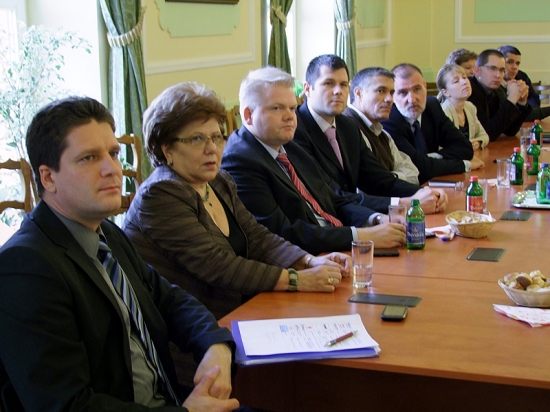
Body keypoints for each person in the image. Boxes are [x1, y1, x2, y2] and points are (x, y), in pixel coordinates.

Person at [0, 96, 240, 411]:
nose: (112, 169)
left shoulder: (106, 232)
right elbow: (67, 405)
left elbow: (168, 298)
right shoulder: (26, 267)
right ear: (48, 177)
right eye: (89, 158)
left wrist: (215, 342)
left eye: (113, 154)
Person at [123, 81, 350, 323]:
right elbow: (218, 265)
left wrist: (308, 261)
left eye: (216, 137)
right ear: (166, 148)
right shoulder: (160, 194)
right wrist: (297, 279)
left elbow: (257, 237)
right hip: (194, 329)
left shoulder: (218, 181)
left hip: (242, 310)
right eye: (197, 139)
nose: (212, 149)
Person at [221, 67, 406, 255]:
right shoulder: (240, 161)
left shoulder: (290, 146)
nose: (289, 117)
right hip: (309, 258)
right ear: (248, 115)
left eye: (292, 108)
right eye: (277, 108)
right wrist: (361, 236)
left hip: (335, 247)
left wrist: (376, 219)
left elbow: (334, 200)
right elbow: (282, 233)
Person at [293, 55, 447, 215]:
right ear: (307, 89)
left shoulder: (347, 126)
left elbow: (378, 179)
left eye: (343, 84)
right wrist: (404, 204)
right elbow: (331, 195)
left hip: (355, 217)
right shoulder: (295, 130)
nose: (338, 91)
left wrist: (425, 193)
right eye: (329, 83)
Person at [381, 63, 482, 184]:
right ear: (392, 95)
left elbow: (465, 147)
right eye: (403, 92)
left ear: (425, 87)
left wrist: (430, 158)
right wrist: (464, 164)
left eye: (417, 89)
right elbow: (418, 168)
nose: (412, 100)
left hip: (434, 183)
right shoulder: (388, 121)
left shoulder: (432, 106)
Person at [344, 66, 420, 185]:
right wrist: (391, 179)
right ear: (359, 93)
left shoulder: (383, 134)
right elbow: (367, 184)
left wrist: (389, 178)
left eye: (391, 93)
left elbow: (413, 173)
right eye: (381, 91)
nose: (390, 99)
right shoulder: (346, 128)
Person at [468, 49, 532, 141]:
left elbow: (509, 130)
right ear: (477, 70)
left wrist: (521, 102)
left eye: (502, 70)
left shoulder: (496, 92)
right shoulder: (469, 91)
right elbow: (487, 134)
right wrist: (512, 98)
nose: (498, 75)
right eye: (492, 69)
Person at [436, 64, 489, 151]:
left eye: (464, 77)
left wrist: (478, 142)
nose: (464, 82)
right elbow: (442, 147)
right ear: (445, 92)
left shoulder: (470, 107)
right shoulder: (444, 112)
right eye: (456, 81)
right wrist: (465, 147)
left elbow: (484, 135)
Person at [497, 45, 550, 121]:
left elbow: (534, 100)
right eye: (510, 62)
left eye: (517, 63)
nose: (515, 67)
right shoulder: (494, 83)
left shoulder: (522, 76)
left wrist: (524, 105)